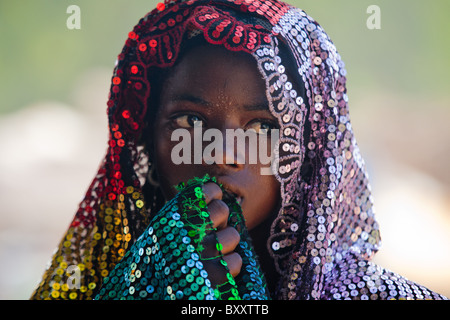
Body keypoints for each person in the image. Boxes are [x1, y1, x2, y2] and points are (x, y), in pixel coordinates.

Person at [31, 0, 447, 300]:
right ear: (146, 143)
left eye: (263, 126)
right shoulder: (102, 287)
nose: (220, 155)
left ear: (310, 153)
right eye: (190, 123)